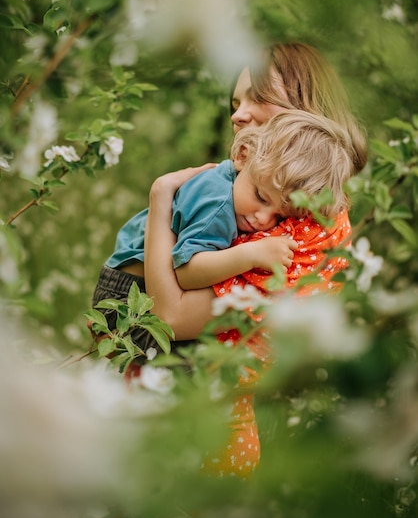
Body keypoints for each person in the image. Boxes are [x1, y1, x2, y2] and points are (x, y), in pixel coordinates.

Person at [139, 42, 367, 476]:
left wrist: (161, 197)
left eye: (258, 99)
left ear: (305, 111)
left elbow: (168, 314)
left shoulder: (307, 224)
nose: (237, 114)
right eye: (235, 101)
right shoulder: (254, 186)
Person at [92, 107, 355, 354]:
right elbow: (186, 273)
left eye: (279, 215)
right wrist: (251, 254)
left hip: (132, 289)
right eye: (262, 197)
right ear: (242, 155)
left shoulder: (240, 180)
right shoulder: (218, 207)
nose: (263, 218)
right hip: (129, 298)